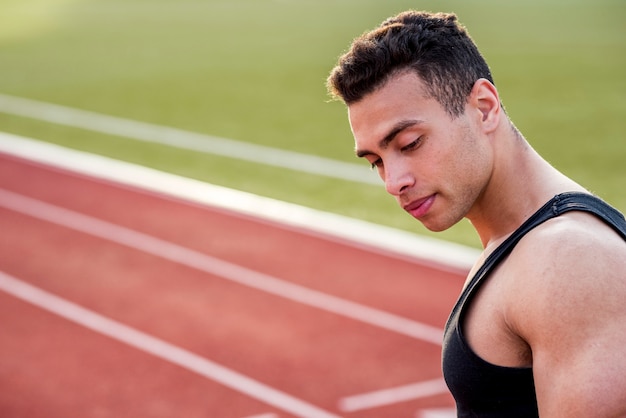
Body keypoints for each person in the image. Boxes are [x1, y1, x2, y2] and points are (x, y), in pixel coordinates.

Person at [326, 10, 626, 417]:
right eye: (376, 161)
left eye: (410, 143)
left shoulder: (569, 259)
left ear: (484, 108)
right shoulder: (520, 239)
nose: (393, 180)